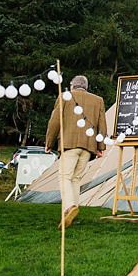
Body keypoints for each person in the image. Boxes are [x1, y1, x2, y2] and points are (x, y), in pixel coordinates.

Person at [45, 75, 107, 228]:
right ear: (86, 87)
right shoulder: (98, 100)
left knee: (64, 176)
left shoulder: (65, 97)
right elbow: (102, 124)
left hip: (70, 144)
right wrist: (100, 147)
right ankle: (70, 216)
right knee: (76, 179)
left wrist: (49, 143)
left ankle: (69, 207)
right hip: (88, 145)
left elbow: (55, 122)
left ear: (72, 86)